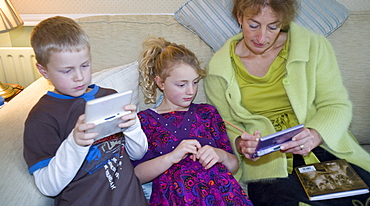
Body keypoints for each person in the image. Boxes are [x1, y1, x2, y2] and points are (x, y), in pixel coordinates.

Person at [204, 0, 370, 205]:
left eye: (273, 27)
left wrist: (315, 134)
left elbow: (336, 105)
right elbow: (229, 127)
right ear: (240, 17)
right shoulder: (219, 70)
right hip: (268, 166)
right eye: (253, 25)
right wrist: (243, 145)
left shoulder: (312, 46)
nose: (262, 37)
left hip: (323, 148)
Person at [23, 16, 148, 205]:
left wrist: (132, 128)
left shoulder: (109, 97)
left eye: (84, 65)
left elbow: (137, 154)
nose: (79, 77)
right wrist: (75, 143)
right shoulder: (42, 117)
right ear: (44, 71)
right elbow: (48, 187)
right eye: (67, 71)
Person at [133, 36, 253, 206]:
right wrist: (172, 157)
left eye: (195, 83)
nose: (190, 91)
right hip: (177, 197)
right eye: (181, 85)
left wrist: (220, 155)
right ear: (161, 83)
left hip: (223, 195)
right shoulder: (145, 121)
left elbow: (234, 166)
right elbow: (137, 174)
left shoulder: (207, 113)